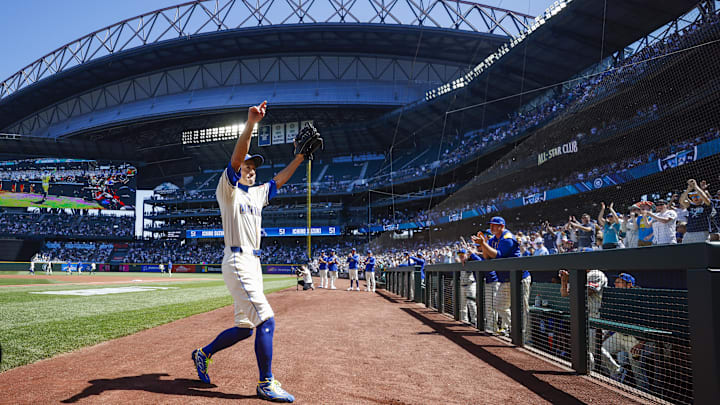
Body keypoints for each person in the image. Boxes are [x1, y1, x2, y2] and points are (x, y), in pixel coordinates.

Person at [192, 101, 317, 403]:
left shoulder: (258, 194)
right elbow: (235, 159)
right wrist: (251, 124)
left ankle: (203, 353)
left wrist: (300, 157)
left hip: (253, 264)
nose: (250, 169)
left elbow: (279, 180)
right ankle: (265, 383)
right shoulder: (228, 190)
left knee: (245, 328)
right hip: (236, 260)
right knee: (267, 321)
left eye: (253, 167)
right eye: (248, 165)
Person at [472, 217, 531, 338]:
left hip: (520, 278)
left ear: (502, 226)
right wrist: (483, 244)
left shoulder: (508, 238)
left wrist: (483, 243)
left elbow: (498, 256)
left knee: (523, 308)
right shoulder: (493, 240)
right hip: (505, 279)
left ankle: (525, 337)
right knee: (499, 305)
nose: (492, 227)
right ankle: (516, 330)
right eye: (491, 225)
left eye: (495, 225)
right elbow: (486, 257)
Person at [601, 273, 650, 390]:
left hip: (635, 340)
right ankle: (617, 373)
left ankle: (645, 395)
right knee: (600, 350)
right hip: (619, 336)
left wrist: (641, 343)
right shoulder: (618, 297)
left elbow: (649, 323)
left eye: (619, 282)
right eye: (616, 281)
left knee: (638, 372)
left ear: (629, 285)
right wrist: (606, 336)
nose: (615, 284)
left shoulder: (639, 299)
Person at [559, 268, 608, 372]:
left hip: (597, 316)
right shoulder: (579, 274)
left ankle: (599, 370)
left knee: (590, 347)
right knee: (588, 347)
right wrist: (564, 280)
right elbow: (564, 293)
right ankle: (610, 370)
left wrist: (571, 280)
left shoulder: (596, 273)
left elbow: (589, 291)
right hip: (585, 316)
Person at [679, 179, 712, 243]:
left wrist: (696, 186)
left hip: (702, 232)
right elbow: (681, 201)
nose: (695, 198)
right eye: (692, 196)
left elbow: (706, 199)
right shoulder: (691, 206)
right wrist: (688, 189)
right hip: (689, 232)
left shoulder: (706, 205)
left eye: (697, 196)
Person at [456, 248, 478, 325]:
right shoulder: (459, 263)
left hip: (470, 284)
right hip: (462, 285)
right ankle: (464, 320)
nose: (461, 256)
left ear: (466, 255)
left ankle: (474, 321)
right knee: (463, 304)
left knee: (471, 303)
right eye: (460, 255)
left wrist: (466, 260)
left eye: (462, 255)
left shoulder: (470, 261)